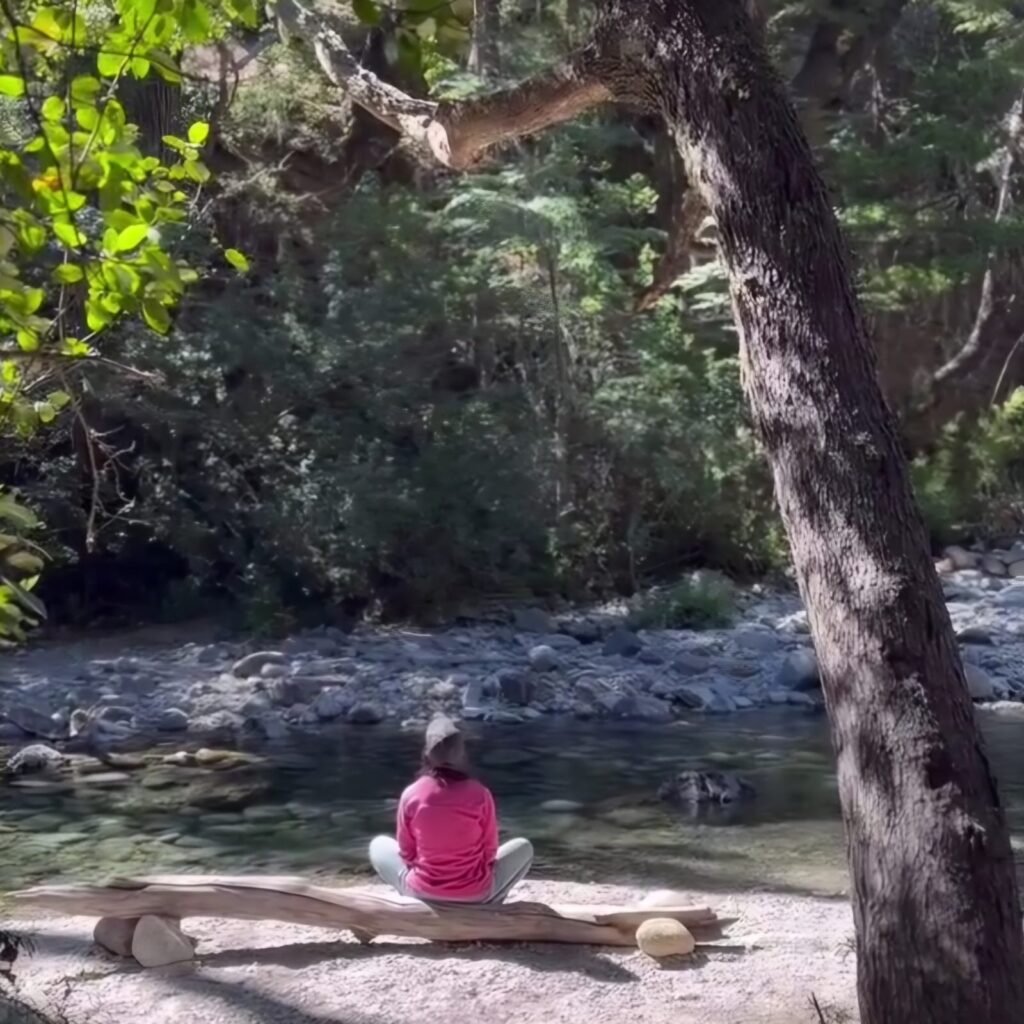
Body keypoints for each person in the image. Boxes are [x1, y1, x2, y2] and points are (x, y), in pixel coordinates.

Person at [369, 715, 533, 904]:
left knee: (378, 845)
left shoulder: (411, 794)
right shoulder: (480, 794)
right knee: (524, 847)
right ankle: (488, 903)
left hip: (422, 892)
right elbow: (490, 851)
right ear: (462, 755)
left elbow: (407, 852)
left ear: (426, 754)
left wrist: (432, 874)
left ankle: (412, 899)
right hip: (475, 893)